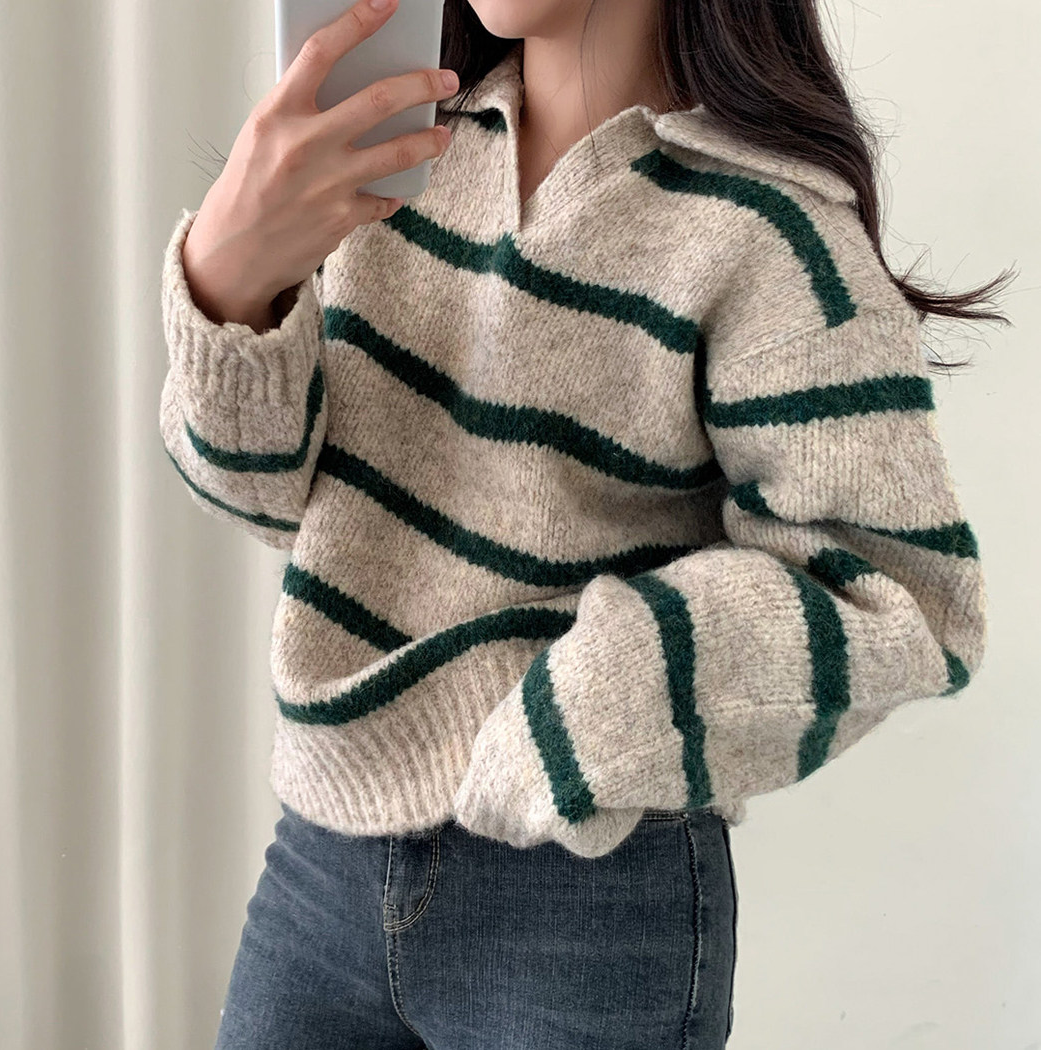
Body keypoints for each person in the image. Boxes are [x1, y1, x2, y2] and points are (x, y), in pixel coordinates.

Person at [159, 0, 1010, 1046]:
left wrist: (591, 708)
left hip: (586, 895)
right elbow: (263, 499)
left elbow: (907, 597)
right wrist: (230, 285)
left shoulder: (765, 230)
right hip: (322, 856)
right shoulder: (385, 160)